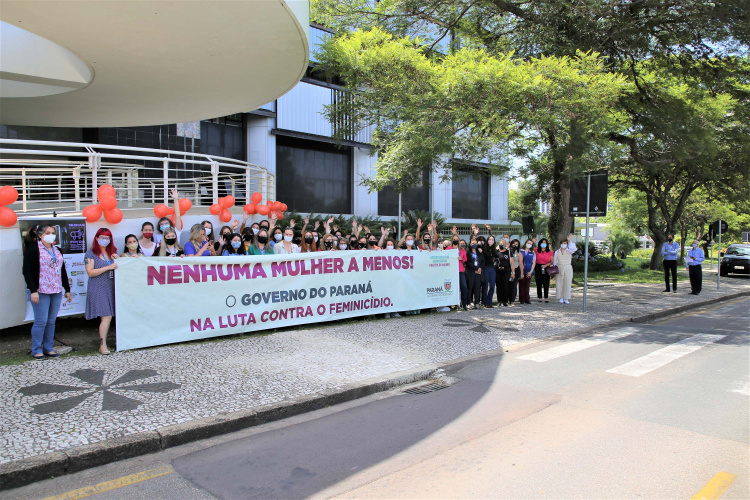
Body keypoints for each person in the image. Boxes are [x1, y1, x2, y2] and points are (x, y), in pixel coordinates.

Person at [22, 224, 73, 360]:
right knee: (41, 321)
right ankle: (37, 349)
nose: (51, 235)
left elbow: (62, 270)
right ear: (40, 235)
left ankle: (48, 348)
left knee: (51, 321)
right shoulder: (34, 249)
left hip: (56, 290)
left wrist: (67, 289)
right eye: (47, 232)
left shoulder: (57, 250)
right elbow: (26, 271)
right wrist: (33, 290)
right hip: (40, 290)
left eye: (53, 232)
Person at [85, 228, 118, 354]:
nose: (105, 240)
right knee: (106, 316)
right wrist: (108, 267)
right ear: (97, 238)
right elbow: (90, 272)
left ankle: (114, 341)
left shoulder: (112, 252)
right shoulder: (90, 253)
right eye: (102, 237)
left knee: (111, 315)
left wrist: (117, 259)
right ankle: (103, 344)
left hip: (111, 286)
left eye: (107, 238)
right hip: (98, 287)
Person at [464, 237, 484, 309]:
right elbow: (467, 262)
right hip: (470, 272)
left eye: (475, 243)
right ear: (470, 244)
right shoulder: (467, 252)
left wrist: (480, 268)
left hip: (478, 272)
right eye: (473, 243)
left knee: (477, 288)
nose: (474, 245)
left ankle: (477, 303)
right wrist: (475, 268)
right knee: (470, 287)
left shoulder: (479, 252)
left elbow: (483, 261)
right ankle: (468, 303)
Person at [482, 226, 498, 307]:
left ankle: (489, 301)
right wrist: (490, 231)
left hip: (492, 268)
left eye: (492, 240)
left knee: (492, 286)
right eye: (490, 239)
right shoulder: (484, 249)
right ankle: (485, 302)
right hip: (485, 268)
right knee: (485, 286)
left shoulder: (494, 250)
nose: (491, 241)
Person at [554, 239, 574, 304]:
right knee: (559, 283)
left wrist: (570, 241)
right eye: (562, 243)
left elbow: (574, 248)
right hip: (559, 267)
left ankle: (566, 297)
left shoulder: (569, 251)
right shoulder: (557, 252)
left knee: (567, 282)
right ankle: (561, 297)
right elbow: (555, 260)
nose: (564, 244)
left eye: (565, 243)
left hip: (567, 267)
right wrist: (554, 268)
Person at [495, 238, 513, 306]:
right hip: (498, 270)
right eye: (501, 244)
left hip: (506, 270)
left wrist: (513, 272)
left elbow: (512, 263)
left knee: (505, 285)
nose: (502, 245)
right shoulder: (496, 252)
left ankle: (505, 301)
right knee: (498, 286)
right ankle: (499, 301)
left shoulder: (508, 252)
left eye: (503, 244)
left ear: (506, 245)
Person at [534, 238, 553, 303]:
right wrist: (533, 242)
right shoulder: (536, 250)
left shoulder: (550, 252)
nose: (543, 244)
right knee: (538, 282)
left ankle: (546, 297)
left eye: (545, 243)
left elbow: (552, 261)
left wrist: (546, 265)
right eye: (542, 242)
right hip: (538, 266)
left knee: (546, 283)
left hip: (546, 267)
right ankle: (539, 297)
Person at [518, 239, 536, 304]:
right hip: (521, 269)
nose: (529, 245)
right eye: (528, 243)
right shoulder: (520, 251)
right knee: (521, 285)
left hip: (529, 269)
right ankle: (521, 299)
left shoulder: (533, 252)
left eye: (531, 244)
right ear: (525, 243)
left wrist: (531, 271)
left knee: (527, 285)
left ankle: (527, 299)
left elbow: (534, 263)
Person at [508, 238, 521, 306]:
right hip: (508, 270)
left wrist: (521, 272)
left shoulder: (518, 252)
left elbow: (520, 263)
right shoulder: (508, 250)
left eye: (516, 244)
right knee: (508, 285)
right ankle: (507, 299)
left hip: (515, 270)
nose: (515, 245)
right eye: (514, 244)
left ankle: (512, 300)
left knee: (514, 286)